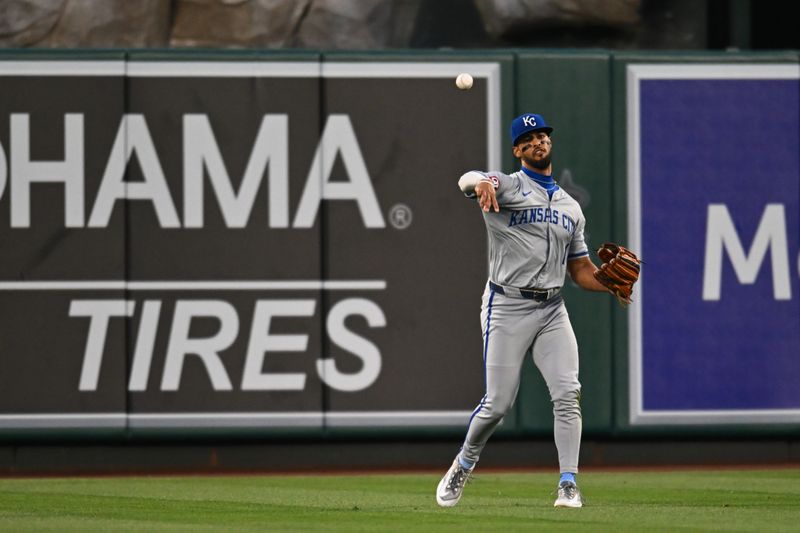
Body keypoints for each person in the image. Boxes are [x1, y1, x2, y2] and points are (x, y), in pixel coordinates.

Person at [436, 113, 613, 509]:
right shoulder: (509, 185)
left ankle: (569, 483)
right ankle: (464, 463)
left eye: (543, 135)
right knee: (498, 404)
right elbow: (470, 179)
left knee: (568, 393)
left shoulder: (570, 207)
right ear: (518, 150)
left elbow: (580, 270)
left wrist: (609, 282)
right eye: (529, 138)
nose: (538, 141)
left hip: (552, 308)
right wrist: (480, 181)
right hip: (507, 305)